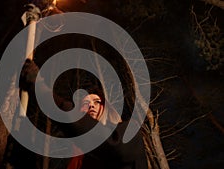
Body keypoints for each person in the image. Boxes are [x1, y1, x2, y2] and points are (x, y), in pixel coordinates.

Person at [19, 59, 148, 169]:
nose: (91, 105)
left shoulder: (130, 134)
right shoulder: (77, 159)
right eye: (85, 104)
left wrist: (39, 89)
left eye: (97, 102)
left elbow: (104, 141)